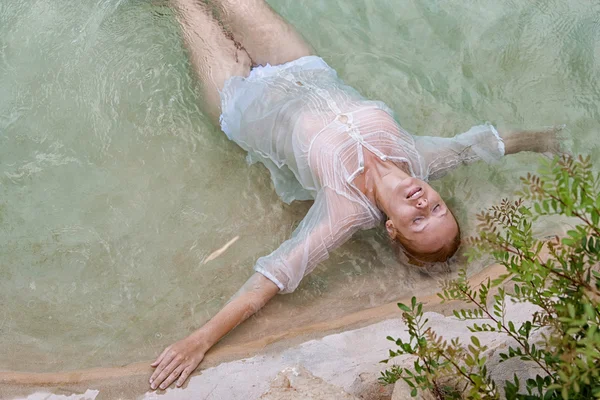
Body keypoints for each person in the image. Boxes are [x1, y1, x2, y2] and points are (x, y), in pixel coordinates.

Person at [149, 0, 564, 390]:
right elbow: (488, 143)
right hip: (299, 65)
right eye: (437, 208)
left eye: (418, 220)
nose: (423, 204)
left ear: (392, 229)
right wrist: (556, 140)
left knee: (184, 5)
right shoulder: (421, 158)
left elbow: (274, 276)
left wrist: (200, 340)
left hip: (238, 100)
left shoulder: (343, 211)